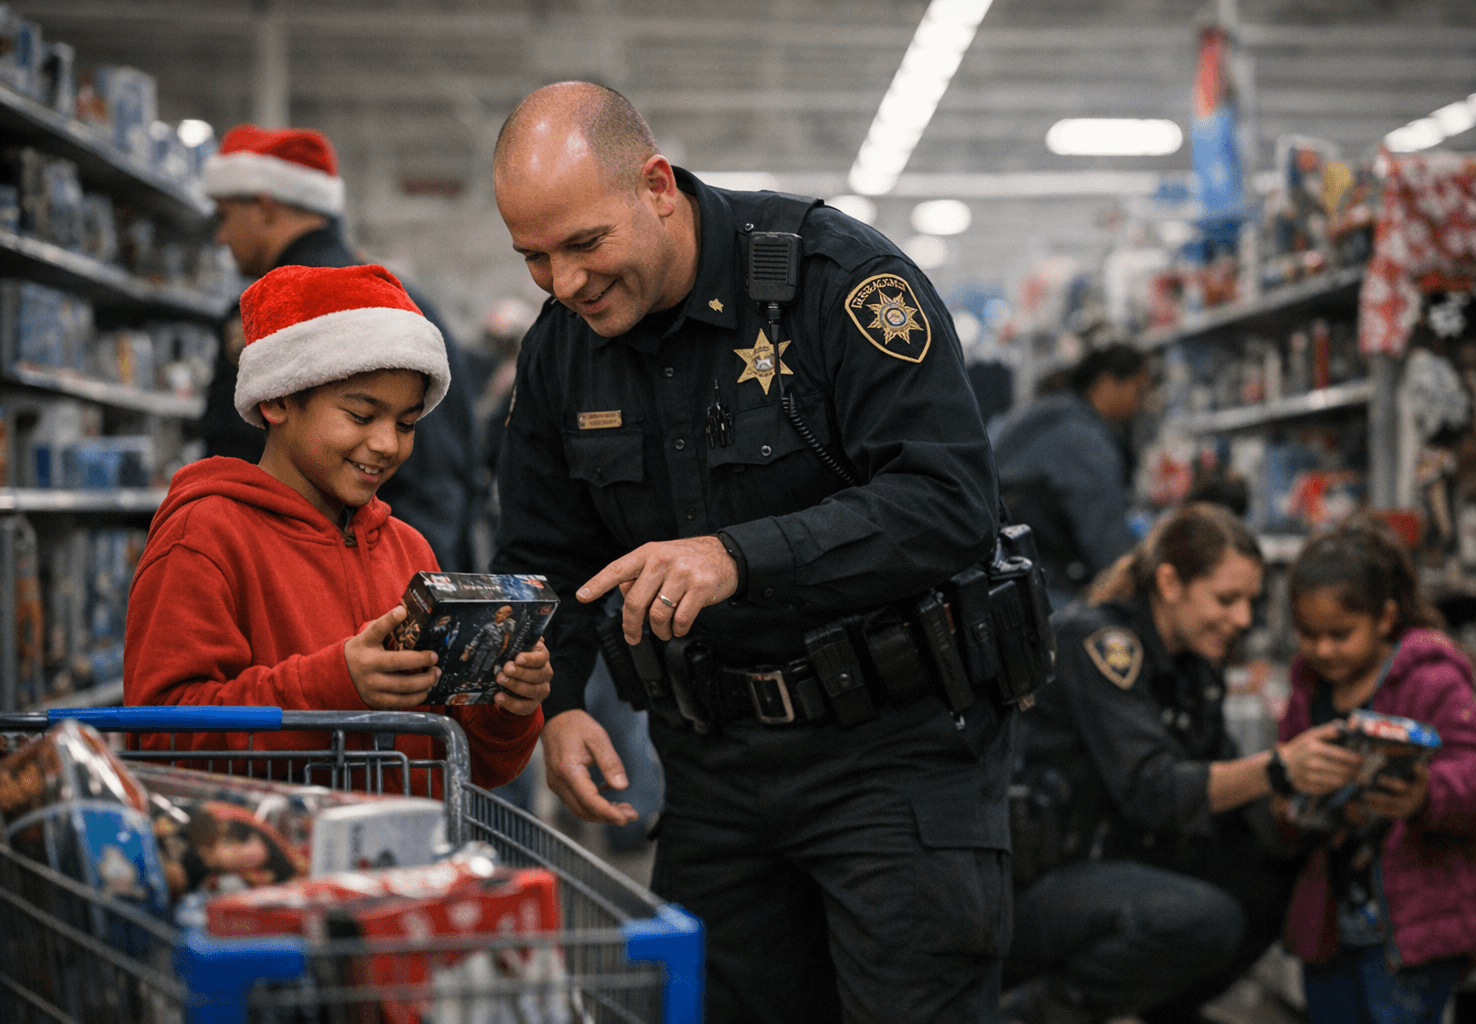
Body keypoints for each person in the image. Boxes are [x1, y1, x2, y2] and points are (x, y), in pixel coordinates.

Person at [489, 82, 1010, 1023]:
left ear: (655, 187)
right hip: (713, 769)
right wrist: (558, 704)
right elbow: (541, 550)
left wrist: (740, 555)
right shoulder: (561, 352)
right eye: (534, 258)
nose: (564, 283)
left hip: (892, 760)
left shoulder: (836, 282)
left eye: (584, 244)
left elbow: (950, 501)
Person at [123, 264, 550, 791]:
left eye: (406, 423)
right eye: (361, 414)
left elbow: (471, 763)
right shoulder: (205, 534)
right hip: (277, 862)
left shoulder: (408, 548)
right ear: (278, 397)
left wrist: (507, 705)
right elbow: (162, 739)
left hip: (406, 861)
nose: (388, 444)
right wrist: (332, 688)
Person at [1004, 503, 1326, 1024]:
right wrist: (1280, 766)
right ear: (1170, 582)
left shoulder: (1193, 669)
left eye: (1250, 602)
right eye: (1226, 599)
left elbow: (1223, 782)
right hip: (1046, 883)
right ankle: (1038, 1013)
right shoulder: (1098, 643)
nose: (1242, 620)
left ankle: (1160, 1011)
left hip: (1124, 866)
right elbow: (1152, 789)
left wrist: (1311, 806)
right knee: (1205, 918)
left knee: (1274, 874)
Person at [199, 124, 482, 571]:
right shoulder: (405, 302)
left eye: (224, 214)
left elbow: (234, 456)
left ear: (264, 207)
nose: (221, 236)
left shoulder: (277, 315)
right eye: (361, 416)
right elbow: (444, 481)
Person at [1278, 518, 1476, 1024]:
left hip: (1415, 928)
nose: (1323, 650)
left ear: (1384, 617)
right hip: (1331, 927)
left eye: (1340, 634)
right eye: (1308, 635)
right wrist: (1288, 797)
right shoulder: (1309, 690)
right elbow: (1284, 775)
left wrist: (1427, 794)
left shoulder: (1429, 681)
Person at [991, 343, 1151, 608]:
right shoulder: (1084, 441)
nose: (1141, 404)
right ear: (1107, 383)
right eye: (1138, 390)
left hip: (1007, 581)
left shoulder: (1040, 415)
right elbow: (1107, 543)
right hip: (1047, 593)